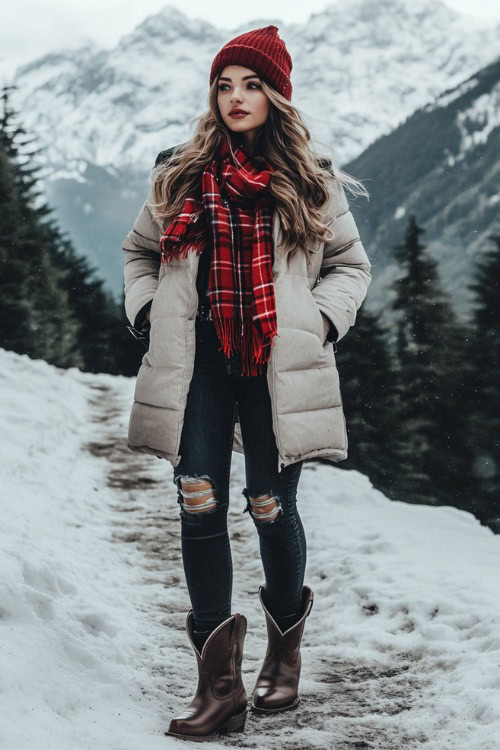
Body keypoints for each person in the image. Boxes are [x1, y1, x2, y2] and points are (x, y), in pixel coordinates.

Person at [122, 24, 372, 742]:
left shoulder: (310, 181)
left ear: (276, 95)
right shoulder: (179, 172)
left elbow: (351, 268)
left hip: (272, 365)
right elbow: (140, 253)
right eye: (225, 85)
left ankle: (284, 650)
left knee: (267, 504)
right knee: (197, 498)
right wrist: (146, 309)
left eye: (251, 84)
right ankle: (219, 685)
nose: (236, 97)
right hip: (199, 362)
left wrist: (320, 323)